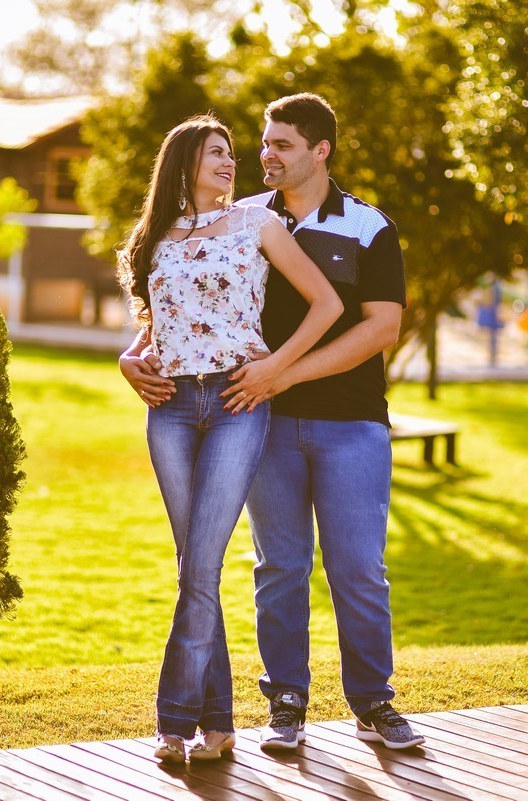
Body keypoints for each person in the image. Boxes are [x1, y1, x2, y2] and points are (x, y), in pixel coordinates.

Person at [122, 94, 425, 752]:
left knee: (358, 568)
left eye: (280, 145)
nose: (264, 155)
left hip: (349, 421)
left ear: (321, 151)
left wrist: (282, 372)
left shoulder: (368, 226)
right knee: (280, 567)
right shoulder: (242, 217)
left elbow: (382, 327)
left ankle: (373, 700)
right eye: (261, 143)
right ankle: (286, 700)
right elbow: (190, 304)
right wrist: (134, 353)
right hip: (259, 417)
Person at [116, 114, 342, 765]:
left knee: (201, 564)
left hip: (236, 402)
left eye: (231, 154)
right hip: (170, 408)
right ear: (184, 161)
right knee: (193, 563)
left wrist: (277, 368)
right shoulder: (154, 236)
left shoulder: (256, 224)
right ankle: (216, 724)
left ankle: (172, 721)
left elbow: (327, 304)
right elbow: (158, 323)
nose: (229, 162)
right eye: (216, 152)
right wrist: (128, 359)